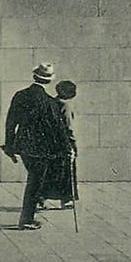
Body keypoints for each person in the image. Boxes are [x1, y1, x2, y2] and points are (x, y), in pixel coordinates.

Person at [1, 63, 69, 231]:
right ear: (49, 81)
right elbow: (58, 129)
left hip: (23, 146)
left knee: (35, 179)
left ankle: (32, 212)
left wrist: (10, 145)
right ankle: (26, 219)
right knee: (35, 182)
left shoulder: (20, 95)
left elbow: (11, 122)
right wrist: (68, 148)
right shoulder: (49, 102)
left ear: (35, 77)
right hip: (41, 149)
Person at [37, 80, 78, 211]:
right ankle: (66, 199)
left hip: (50, 143)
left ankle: (41, 198)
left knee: (50, 171)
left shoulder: (51, 103)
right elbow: (69, 127)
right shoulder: (65, 106)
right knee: (67, 172)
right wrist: (73, 145)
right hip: (63, 143)